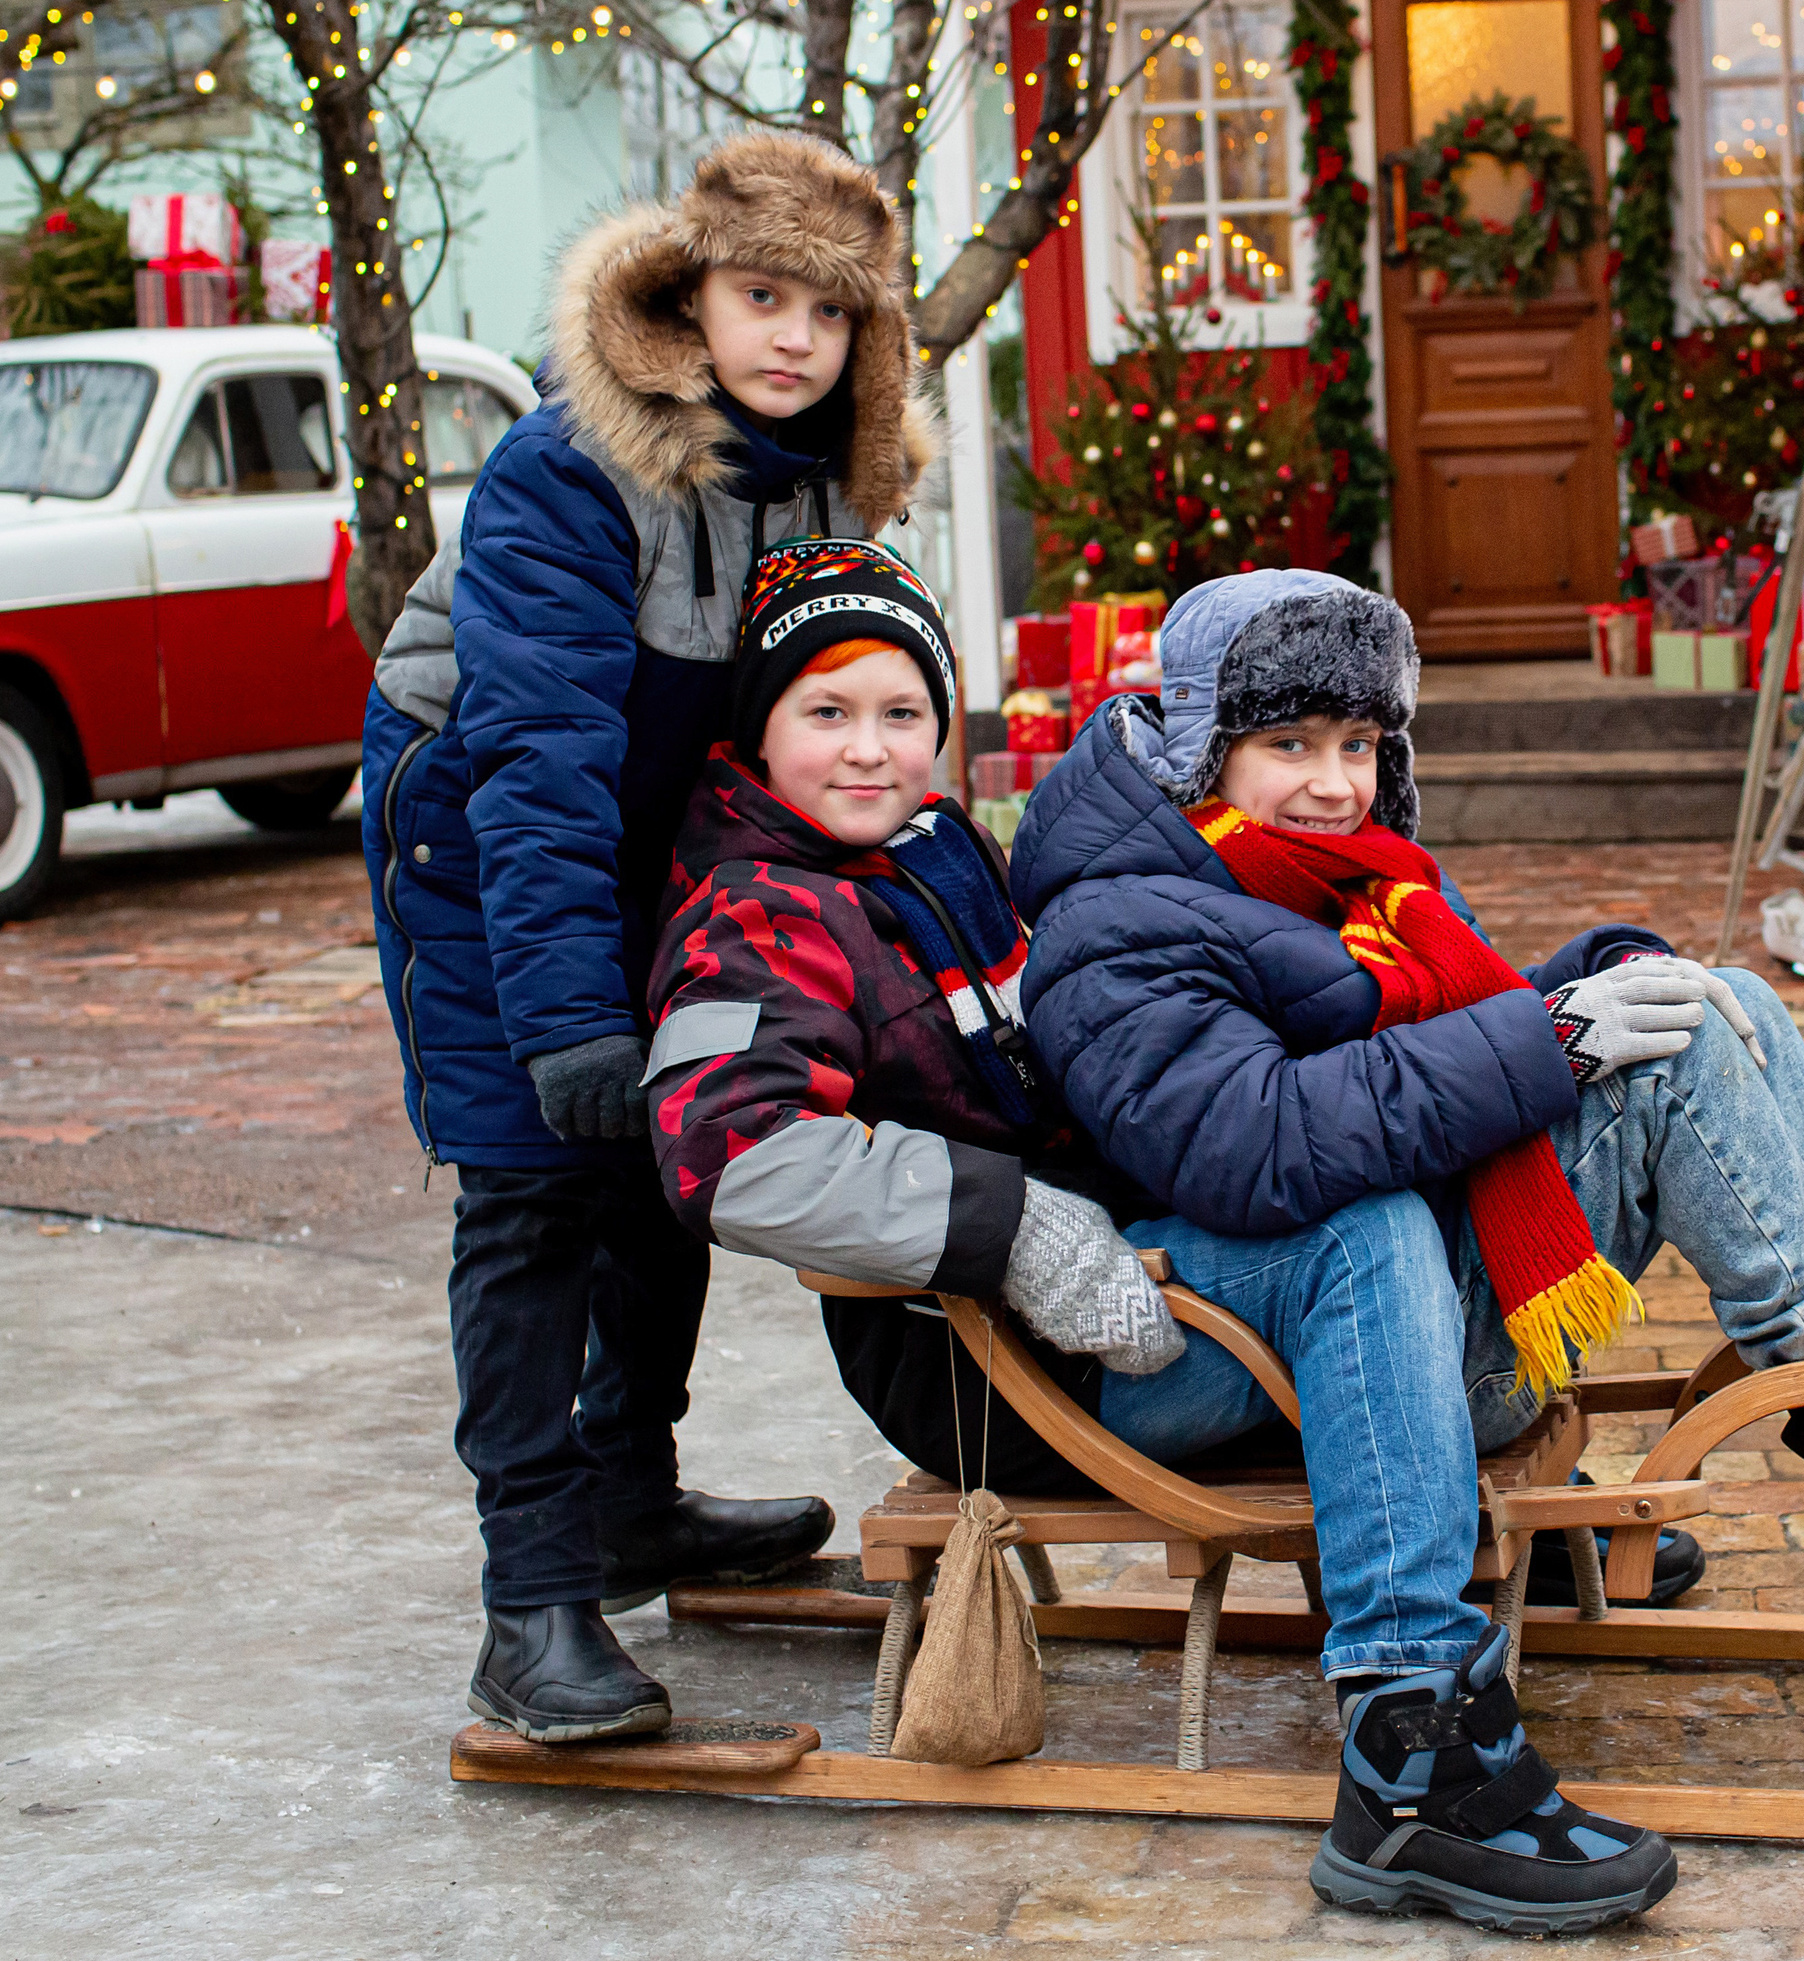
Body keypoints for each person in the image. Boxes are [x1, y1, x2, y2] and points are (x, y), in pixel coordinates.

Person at [1005, 568, 1804, 1930]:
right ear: (1196, 745)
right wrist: (1553, 1039)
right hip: (1230, 1344)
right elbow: (1258, 1145)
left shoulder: (1346, 879)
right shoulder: (1115, 922)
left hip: (1372, 1330)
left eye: (1359, 744)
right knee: (1378, 1208)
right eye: (1288, 743)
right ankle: (1409, 1757)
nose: (1336, 782)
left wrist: (1599, 976)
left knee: (1720, 1000)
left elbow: (1441, 1033)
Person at [645, 544, 1681, 1935]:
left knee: (1357, 1154)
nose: (870, 747)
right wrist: (1010, 1227)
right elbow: (732, 1151)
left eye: (901, 711)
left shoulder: (937, 851)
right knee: (1353, 1226)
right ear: (759, 729)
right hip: (985, 1357)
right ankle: (1412, 1748)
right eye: (826, 713)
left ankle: (1450, 1528)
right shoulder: (758, 908)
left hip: (1128, 1270)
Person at [361, 129, 940, 1743]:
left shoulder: (827, 489)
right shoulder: (570, 473)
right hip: (479, 833)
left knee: (669, 1144)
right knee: (541, 1180)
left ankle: (630, 1497)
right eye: (760, 297)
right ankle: (530, 1598)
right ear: (688, 297)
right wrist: (562, 1016)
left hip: (657, 831)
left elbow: (837, 726)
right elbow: (534, 762)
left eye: (825, 317)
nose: (790, 340)